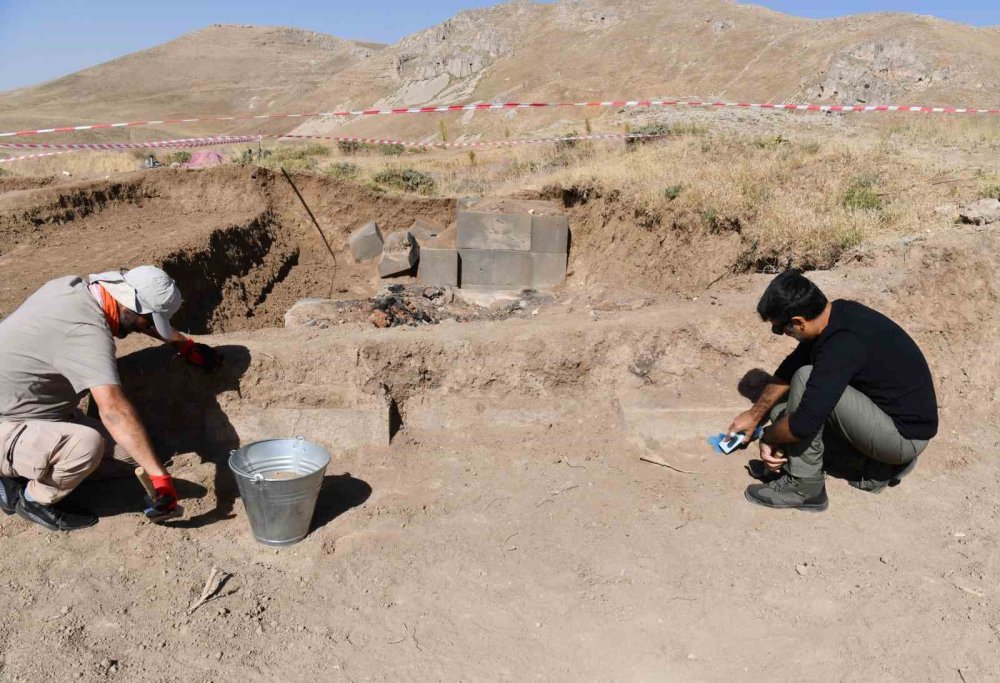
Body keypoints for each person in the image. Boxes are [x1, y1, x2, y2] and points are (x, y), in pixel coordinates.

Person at [0, 267, 220, 531]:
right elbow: (114, 410)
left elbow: (136, 315)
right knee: (86, 446)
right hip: (9, 422)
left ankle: (28, 468)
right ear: (130, 305)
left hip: (33, 411)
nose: (147, 330)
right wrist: (161, 478)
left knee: (130, 457)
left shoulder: (77, 290)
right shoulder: (86, 332)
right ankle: (32, 500)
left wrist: (183, 344)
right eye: (149, 322)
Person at [729, 269, 938, 511]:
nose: (782, 335)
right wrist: (755, 417)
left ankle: (805, 487)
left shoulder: (842, 344)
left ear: (798, 322)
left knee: (804, 384)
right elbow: (788, 370)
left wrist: (767, 437)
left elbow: (803, 424)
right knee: (781, 413)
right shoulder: (836, 317)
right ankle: (873, 467)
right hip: (888, 420)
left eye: (780, 329)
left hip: (903, 438)